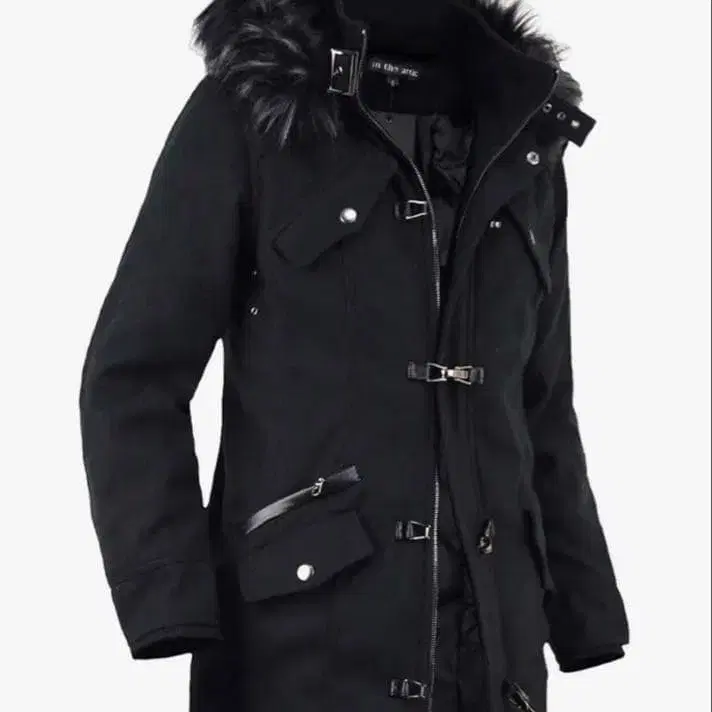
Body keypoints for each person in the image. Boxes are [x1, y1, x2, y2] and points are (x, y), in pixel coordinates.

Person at [79, 1, 629, 710]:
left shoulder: (521, 139)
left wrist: (583, 611)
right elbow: (133, 375)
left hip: (496, 658)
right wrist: (165, 589)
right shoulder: (253, 114)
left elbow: (541, 402)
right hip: (301, 654)